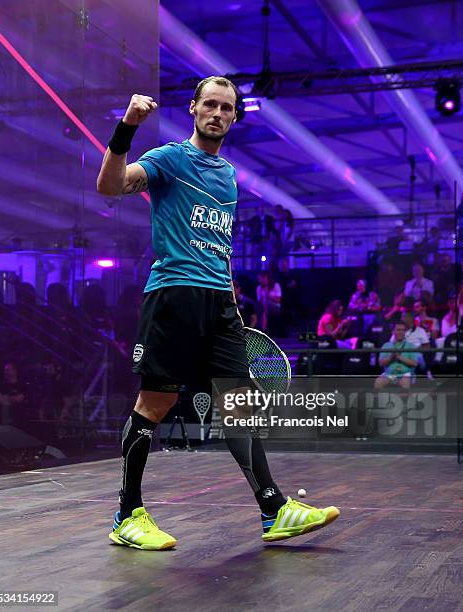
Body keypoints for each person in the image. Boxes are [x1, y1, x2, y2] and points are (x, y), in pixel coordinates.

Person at [97, 76, 339, 550]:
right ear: (193, 109)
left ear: (233, 117)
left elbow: (220, 247)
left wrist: (231, 300)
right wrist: (127, 125)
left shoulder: (228, 176)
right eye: (209, 104)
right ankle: (127, 515)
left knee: (239, 406)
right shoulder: (169, 159)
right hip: (173, 297)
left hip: (220, 305)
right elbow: (109, 186)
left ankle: (275, 511)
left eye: (227, 108)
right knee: (156, 404)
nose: (217, 113)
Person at [375, 322, 418, 389]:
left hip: (405, 374)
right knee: (378, 382)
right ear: (393, 331)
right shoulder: (386, 345)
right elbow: (381, 363)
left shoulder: (411, 346)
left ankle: (404, 399)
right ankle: (383, 399)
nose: (400, 332)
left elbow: (414, 363)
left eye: (403, 330)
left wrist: (399, 357)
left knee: (405, 383)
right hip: (390, 375)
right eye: (398, 330)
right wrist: (391, 357)